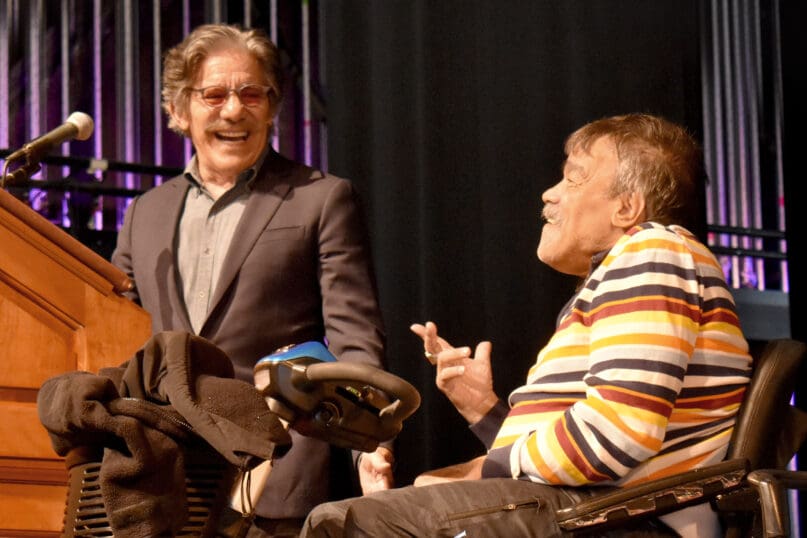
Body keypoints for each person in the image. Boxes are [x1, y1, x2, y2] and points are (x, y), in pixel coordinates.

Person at [301, 113, 753, 537]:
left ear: (627, 207)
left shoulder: (653, 251)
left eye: (574, 176)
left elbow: (618, 434)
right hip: (593, 510)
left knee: (342, 525)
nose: (550, 194)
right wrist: (485, 411)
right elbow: (577, 450)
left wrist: (486, 469)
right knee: (401, 500)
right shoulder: (634, 269)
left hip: (622, 520)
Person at [111, 23, 393, 537]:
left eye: (250, 94)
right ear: (179, 111)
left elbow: (355, 334)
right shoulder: (143, 212)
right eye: (214, 94)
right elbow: (112, 330)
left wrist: (369, 440)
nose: (234, 110)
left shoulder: (321, 198)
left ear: (273, 107)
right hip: (162, 471)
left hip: (274, 469)